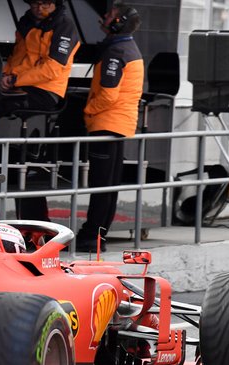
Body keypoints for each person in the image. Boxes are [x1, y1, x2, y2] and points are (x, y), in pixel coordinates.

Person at [76, 1, 144, 253]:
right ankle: (97, 236)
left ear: (118, 22)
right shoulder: (127, 47)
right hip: (120, 125)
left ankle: (91, 236)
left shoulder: (115, 53)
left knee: (101, 185)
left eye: (109, 15)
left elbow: (107, 96)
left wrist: (87, 111)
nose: (104, 17)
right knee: (109, 186)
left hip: (106, 124)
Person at [0, 0, 79, 119]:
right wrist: (5, 76)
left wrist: (14, 80)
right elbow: (17, 56)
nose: (39, 8)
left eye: (45, 3)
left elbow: (52, 69)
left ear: (55, 3)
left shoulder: (65, 26)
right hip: (21, 84)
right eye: (35, 3)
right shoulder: (26, 22)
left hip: (46, 90)